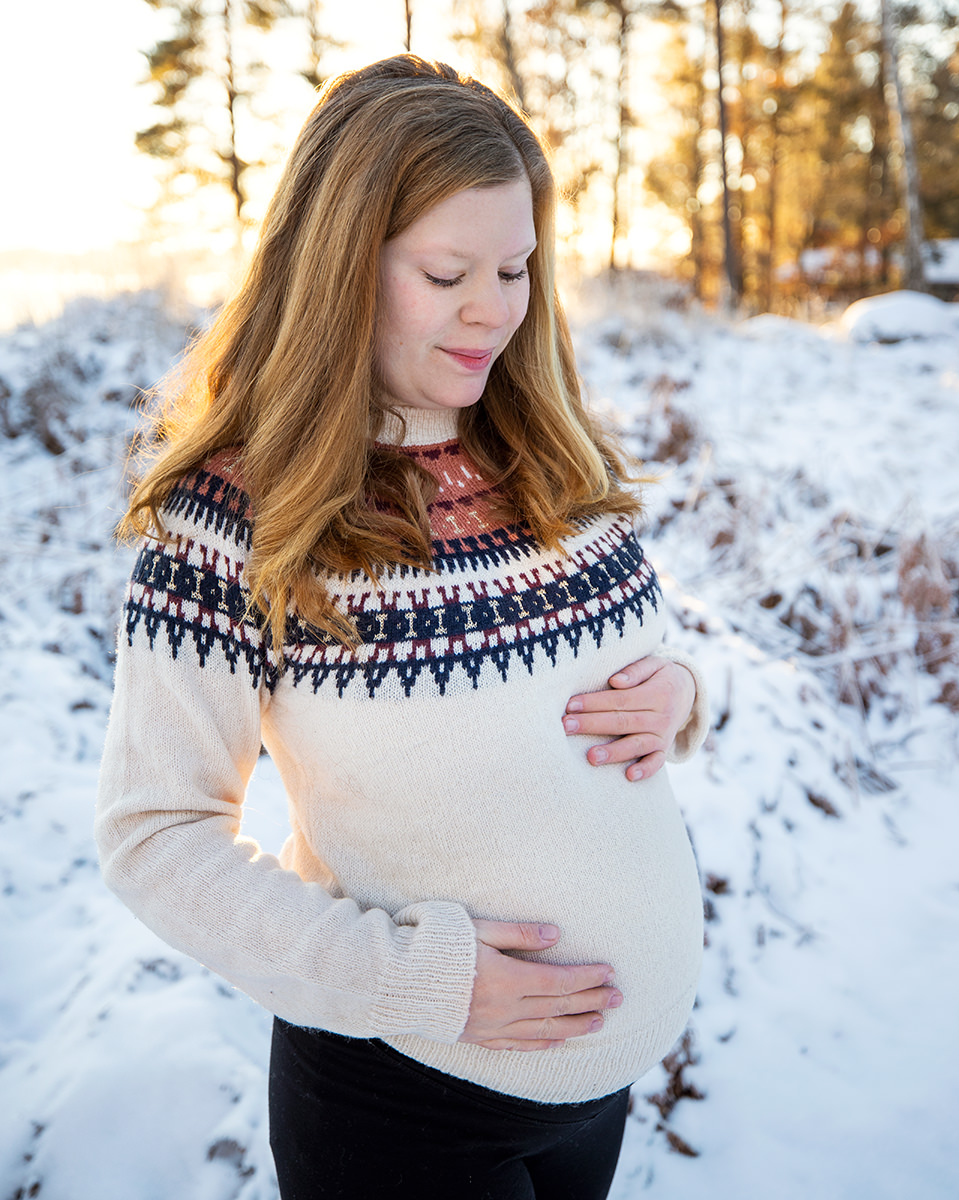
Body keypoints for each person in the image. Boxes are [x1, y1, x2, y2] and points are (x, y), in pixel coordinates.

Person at [96, 54, 708, 1200]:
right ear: (342, 267)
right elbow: (154, 833)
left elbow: (621, 658)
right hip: (404, 1105)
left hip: (596, 1086)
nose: (496, 307)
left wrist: (678, 691)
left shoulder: (542, 446)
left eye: (518, 268)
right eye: (448, 270)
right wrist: (413, 981)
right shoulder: (236, 519)